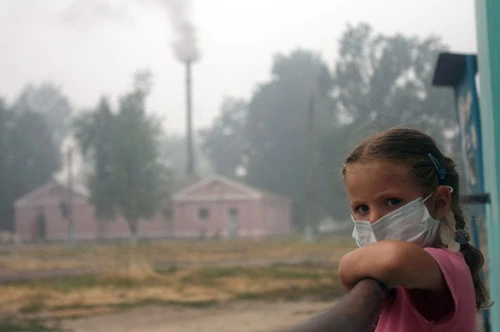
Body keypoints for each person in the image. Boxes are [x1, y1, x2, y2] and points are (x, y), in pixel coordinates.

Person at [338, 127, 492, 331]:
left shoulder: (446, 265)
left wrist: (346, 267)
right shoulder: (402, 280)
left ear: (438, 202)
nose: (374, 220)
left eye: (392, 201)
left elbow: (395, 260)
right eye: (362, 208)